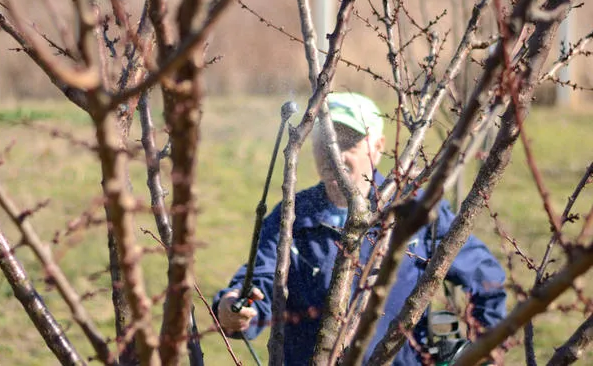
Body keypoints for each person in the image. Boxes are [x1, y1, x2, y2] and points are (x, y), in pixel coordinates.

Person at [212, 92, 506, 365]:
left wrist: (479, 349)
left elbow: (488, 280)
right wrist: (234, 306)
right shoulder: (291, 215)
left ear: (378, 147)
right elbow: (260, 282)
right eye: (325, 140)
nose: (334, 153)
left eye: (348, 141)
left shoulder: (416, 210)